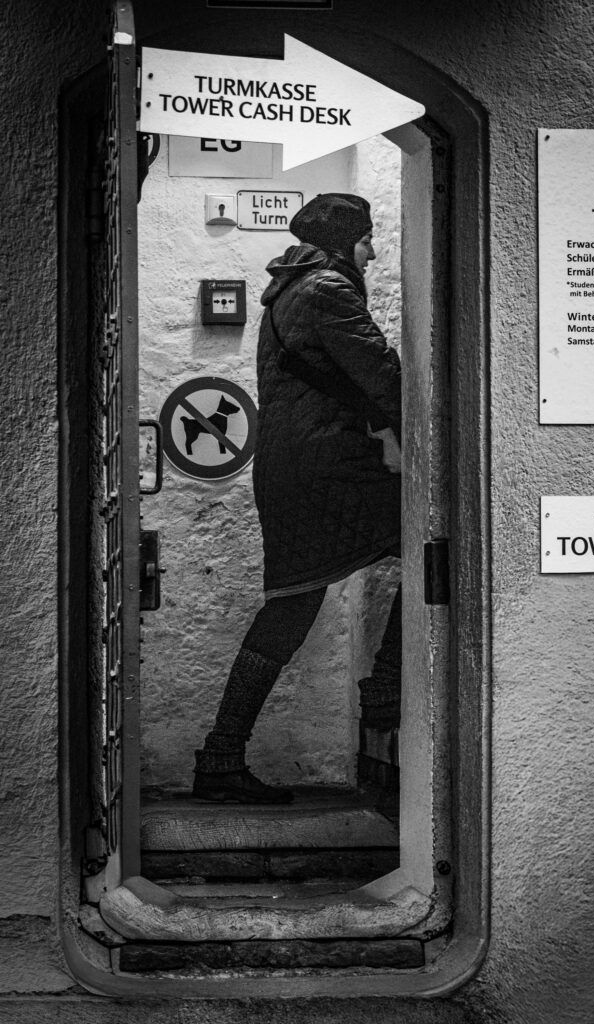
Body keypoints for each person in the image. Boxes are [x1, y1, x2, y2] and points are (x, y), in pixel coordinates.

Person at [192, 193, 402, 804]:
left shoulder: (289, 288)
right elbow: (384, 376)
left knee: (290, 606)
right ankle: (385, 692)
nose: (372, 248)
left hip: (295, 468)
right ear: (343, 240)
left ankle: (222, 755)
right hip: (327, 470)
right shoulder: (329, 290)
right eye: (365, 237)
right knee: (433, 550)